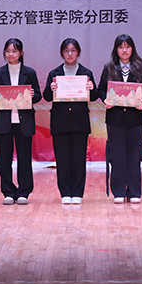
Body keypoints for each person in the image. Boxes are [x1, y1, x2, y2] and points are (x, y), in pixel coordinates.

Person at [42, 38, 99, 204]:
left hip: (80, 121)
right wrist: (51, 88)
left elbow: (94, 97)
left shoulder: (86, 73)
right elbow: (46, 96)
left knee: (79, 159)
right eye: (66, 51)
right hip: (60, 122)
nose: (70, 54)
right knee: (62, 159)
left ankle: (78, 193)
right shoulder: (54, 73)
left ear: (78, 52)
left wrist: (91, 88)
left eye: (73, 50)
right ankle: (65, 192)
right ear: (62, 53)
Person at [97, 34, 142, 204]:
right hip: (115, 120)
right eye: (121, 47)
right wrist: (105, 99)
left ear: (132, 49)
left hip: (135, 120)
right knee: (117, 156)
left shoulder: (141, 68)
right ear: (116, 50)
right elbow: (101, 89)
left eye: (127, 46)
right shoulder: (109, 68)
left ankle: (134, 192)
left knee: (135, 156)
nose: (124, 50)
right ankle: (119, 192)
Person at [0, 38, 42, 205]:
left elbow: (38, 95)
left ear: (21, 53)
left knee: (24, 158)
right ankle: (8, 191)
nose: (10, 54)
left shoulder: (29, 72)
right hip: (4, 121)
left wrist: (32, 95)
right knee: (4, 159)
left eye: (14, 51)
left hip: (24, 121)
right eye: (8, 51)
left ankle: (24, 192)